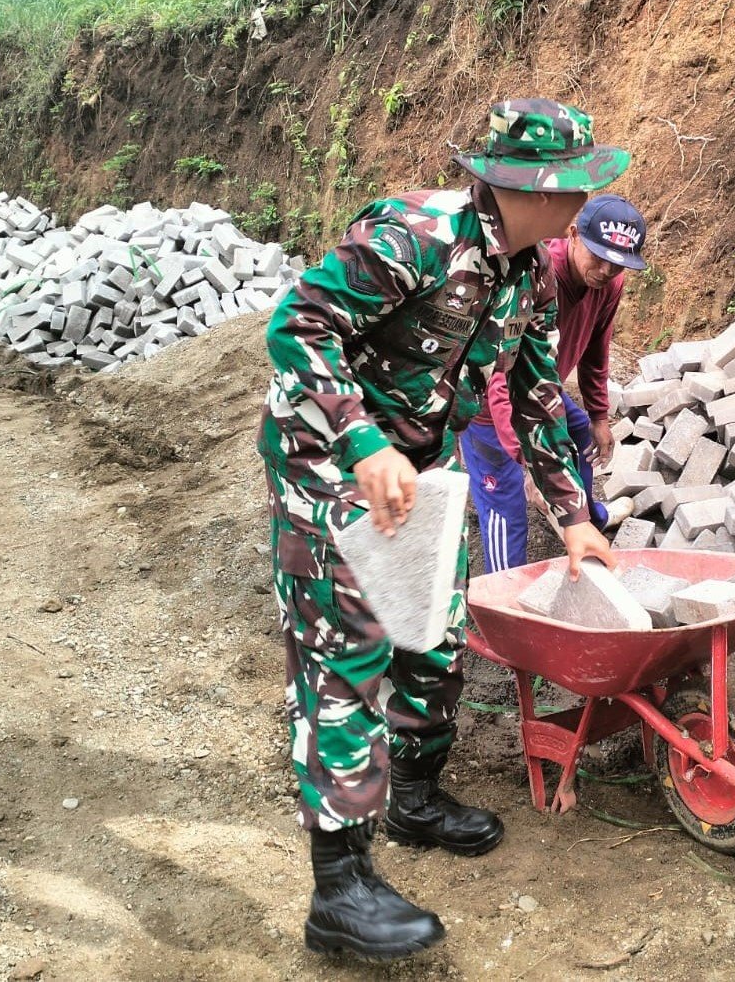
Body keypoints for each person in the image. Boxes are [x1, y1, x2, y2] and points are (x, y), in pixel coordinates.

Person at [258, 98, 623, 960]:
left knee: (434, 635)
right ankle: (339, 889)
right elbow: (297, 326)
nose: (586, 199)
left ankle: (414, 797)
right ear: (538, 189)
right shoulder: (412, 236)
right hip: (327, 459)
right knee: (346, 656)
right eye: (577, 184)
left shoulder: (529, 274)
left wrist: (574, 516)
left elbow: (536, 394)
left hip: (416, 466)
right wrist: (362, 441)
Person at [462, 194, 648, 570]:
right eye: (598, 256)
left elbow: (596, 348)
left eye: (617, 263)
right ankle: (503, 592)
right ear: (574, 235)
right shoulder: (532, 275)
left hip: (539, 388)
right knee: (505, 504)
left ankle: (585, 520)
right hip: (485, 401)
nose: (606, 270)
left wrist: (599, 417)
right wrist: (528, 456)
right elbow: (497, 371)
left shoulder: (609, 283)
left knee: (581, 435)